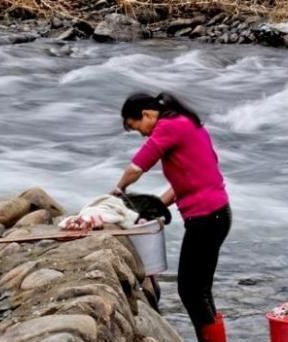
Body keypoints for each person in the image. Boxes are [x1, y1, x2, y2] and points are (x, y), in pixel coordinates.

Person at [113, 92, 231, 342]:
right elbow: (191, 178)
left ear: (146, 114)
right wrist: (156, 206)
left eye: (137, 128)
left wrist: (117, 191)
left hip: (206, 218)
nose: (142, 134)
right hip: (217, 214)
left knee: (190, 290)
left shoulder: (168, 127)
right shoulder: (185, 123)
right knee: (200, 290)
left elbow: (137, 167)